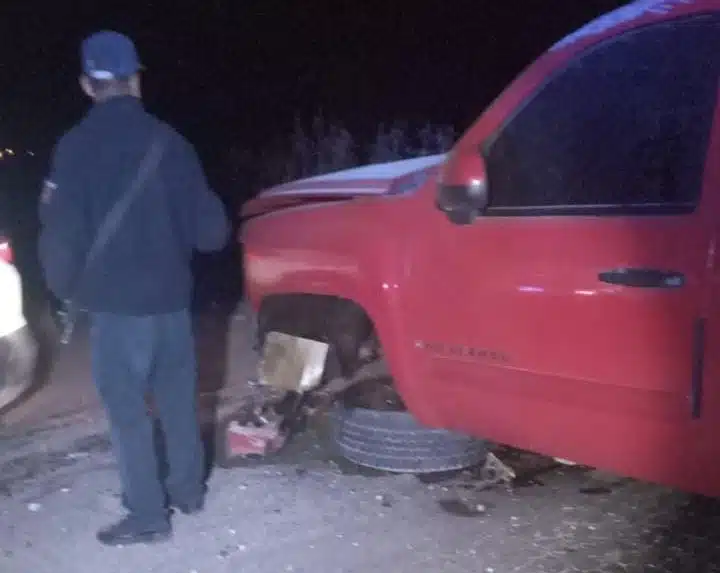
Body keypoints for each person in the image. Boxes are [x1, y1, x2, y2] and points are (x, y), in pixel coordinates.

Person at [38, 30, 230, 546]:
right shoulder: (173, 142)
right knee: (176, 402)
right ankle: (188, 492)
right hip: (171, 304)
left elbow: (59, 238)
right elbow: (213, 234)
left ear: (87, 84)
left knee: (128, 416)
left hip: (115, 311)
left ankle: (147, 516)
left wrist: (64, 292)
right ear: (136, 82)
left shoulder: (74, 148)